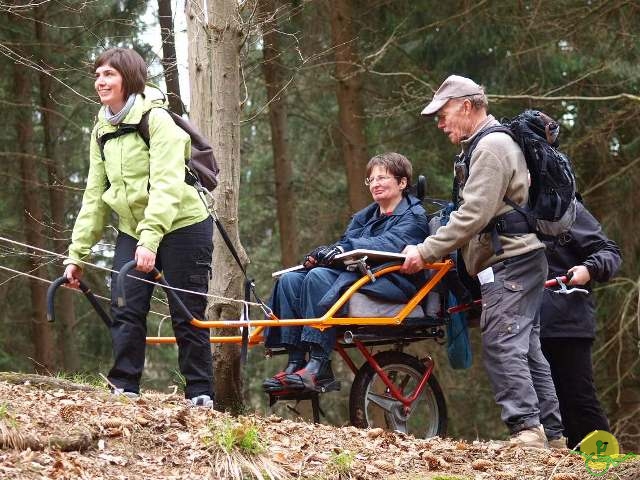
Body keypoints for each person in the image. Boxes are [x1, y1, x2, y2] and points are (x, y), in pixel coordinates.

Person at [401, 75, 562, 448]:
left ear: (467, 106)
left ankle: (527, 431)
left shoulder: (490, 147)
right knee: (527, 346)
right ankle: (552, 435)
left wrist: (425, 250)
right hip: (519, 257)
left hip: (511, 258)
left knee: (502, 342)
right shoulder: (488, 145)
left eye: (443, 114)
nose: (440, 124)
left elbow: (473, 214)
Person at [63, 48, 214, 407]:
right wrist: (77, 254)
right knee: (126, 308)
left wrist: (151, 240)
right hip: (134, 229)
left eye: (109, 74)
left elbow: (166, 184)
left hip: (182, 225)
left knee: (186, 312)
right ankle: (124, 389)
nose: (101, 81)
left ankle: (200, 395)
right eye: (98, 74)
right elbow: (95, 194)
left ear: (128, 79)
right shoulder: (101, 129)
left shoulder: (157, 120)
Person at [262, 152, 429, 393]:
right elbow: (346, 243)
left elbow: (389, 243)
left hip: (392, 280)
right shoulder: (366, 216)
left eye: (382, 178)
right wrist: (322, 254)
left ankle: (319, 365)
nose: (375, 184)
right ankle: (296, 362)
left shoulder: (414, 216)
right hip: (361, 274)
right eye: (371, 180)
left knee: (318, 278)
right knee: (291, 280)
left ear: (402, 183)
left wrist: (343, 249)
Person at [540, 200, 621, 450]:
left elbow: (609, 252)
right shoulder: (510, 208)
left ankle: (608, 466)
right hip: (526, 324)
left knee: (579, 401)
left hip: (568, 321)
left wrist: (589, 268)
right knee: (548, 411)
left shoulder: (564, 206)